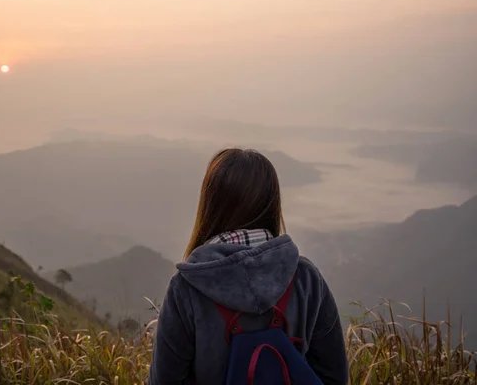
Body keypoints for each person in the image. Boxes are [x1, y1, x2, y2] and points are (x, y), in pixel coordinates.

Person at [149, 148, 348, 385]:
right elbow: (334, 376)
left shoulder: (187, 288)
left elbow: (164, 381)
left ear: (211, 205)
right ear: (271, 204)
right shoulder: (306, 279)